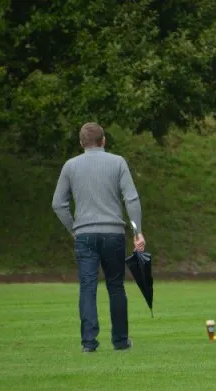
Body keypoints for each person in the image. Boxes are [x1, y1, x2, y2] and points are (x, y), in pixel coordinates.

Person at [52, 122, 146, 353]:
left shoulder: (70, 166)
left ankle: (88, 343)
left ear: (81, 142)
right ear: (103, 140)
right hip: (113, 234)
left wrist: (74, 229)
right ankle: (120, 341)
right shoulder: (118, 162)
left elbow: (58, 204)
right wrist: (137, 231)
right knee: (116, 286)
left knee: (87, 287)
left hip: (84, 235)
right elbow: (131, 199)